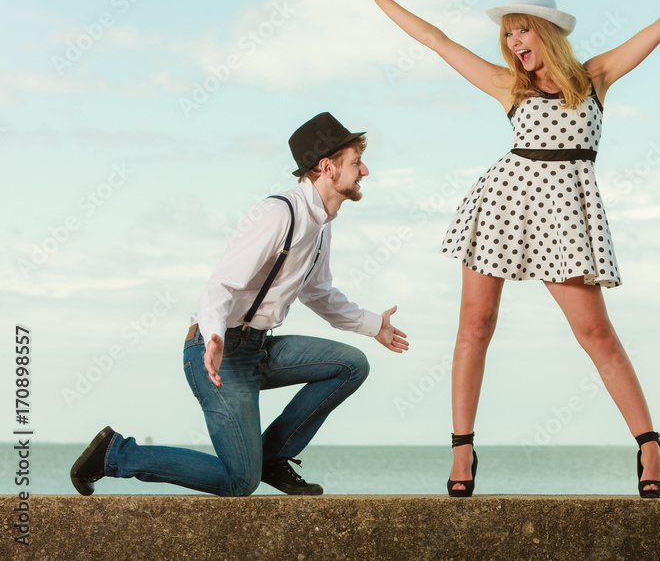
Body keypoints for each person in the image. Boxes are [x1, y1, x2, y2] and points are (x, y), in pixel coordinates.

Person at [370, 0, 660, 498]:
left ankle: (649, 444)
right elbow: (435, 40)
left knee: (596, 333)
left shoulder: (595, 78)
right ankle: (462, 449)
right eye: (509, 33)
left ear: (550, 34)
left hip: (564, 213)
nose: (515, 41)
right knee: (475, 327)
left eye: (524, 30)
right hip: (502, 204)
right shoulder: (505, 84)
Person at [70, 112, 409, 497]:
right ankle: (115, 455)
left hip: (257, 347)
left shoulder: (321, 225)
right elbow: (221, 285)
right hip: (217, 352)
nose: (364, 170)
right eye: (354, 162)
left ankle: (273, 459)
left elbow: (317, 292)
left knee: (351, 365)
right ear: (327, 167)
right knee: (239, 482)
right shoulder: (279, 213)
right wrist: (214, 336)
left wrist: (372, 324)